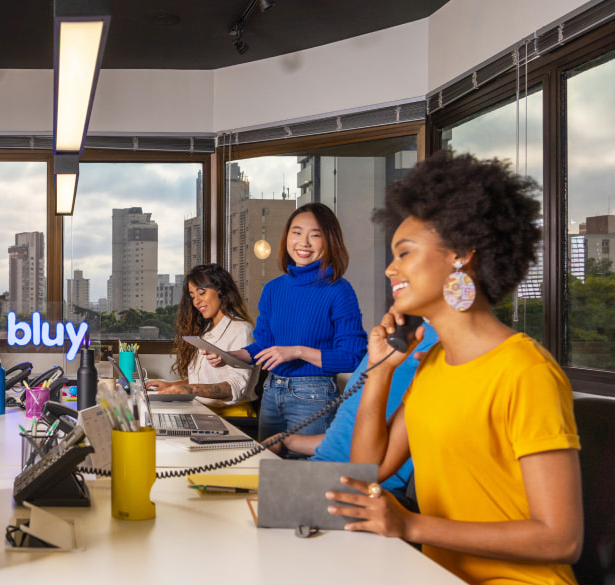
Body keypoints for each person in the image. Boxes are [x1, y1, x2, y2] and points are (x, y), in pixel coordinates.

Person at [333, 152, 582, 585]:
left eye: (405, 252)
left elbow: (561, 539)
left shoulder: (525, 371)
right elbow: (367, 469)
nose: (391, 268)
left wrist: (410, 526)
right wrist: (380, 369)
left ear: (462, 254)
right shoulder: (430, 364)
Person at [222, 202, 366, 441]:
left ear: (330, 241)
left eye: (315, 235)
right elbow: (264, 347)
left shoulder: (339, 290)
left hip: (315, 395)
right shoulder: (273, 289)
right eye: (296, 232)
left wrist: (298, 352)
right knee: (268, 468)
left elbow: (353, 357)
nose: (304, 242)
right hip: (271, 391)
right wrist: (231, 356)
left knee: (303, 474)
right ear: (286, 236)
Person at [269, 323, 438, 503]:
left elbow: (366, 468)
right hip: (319, 471)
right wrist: (287, 440)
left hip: (366, 489)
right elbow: (347, 433)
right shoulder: (398, 338)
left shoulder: (436, 346)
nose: (396, 293)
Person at [145, 264, 257, 417]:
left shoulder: (241, 330)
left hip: (233, 417)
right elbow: (202, 380)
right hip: (204, 411)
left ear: (221, 290)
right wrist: (172, 385)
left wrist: (190, 390)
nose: (196, 301)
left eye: (201, 293)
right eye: (192, 296)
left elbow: (235, 387)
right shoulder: (206, 331)